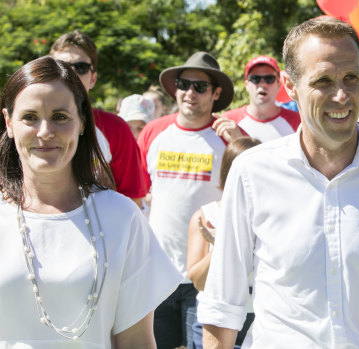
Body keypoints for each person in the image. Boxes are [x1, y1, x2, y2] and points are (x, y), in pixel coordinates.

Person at [199, 17, 359, 348]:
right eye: (323, 81)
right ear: (290, 85)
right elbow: (222, 307)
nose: (341, 95)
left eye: (352, 78)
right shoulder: (251, 173)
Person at [0, 56, 181, 347]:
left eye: (60, 117)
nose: (45, 132)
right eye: (29, 117)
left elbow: (136, 341)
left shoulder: (121, 217)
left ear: (83, 121)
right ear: (9, 122)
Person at [137, 51, 241, 349]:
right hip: (157, 272)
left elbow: (258, 188)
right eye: (184, 84)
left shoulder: (227, 135)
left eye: (200, 87)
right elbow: (135, 194)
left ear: (216, 92)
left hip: (209, 274)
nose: (190, 93)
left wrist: (238, 140)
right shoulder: (154, 131)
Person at [49, 30, 146, 207]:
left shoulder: (115, 128)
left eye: (80, 67)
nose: (70, 74)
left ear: (93, 78)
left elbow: (133, 202)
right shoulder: (29, 126)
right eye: (60, 66)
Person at [187, 137, 261, 349]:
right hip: (215, 323)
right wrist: (221, 247)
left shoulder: (273, 216)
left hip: (260, 319)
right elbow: (199, 282)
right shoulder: (205, 216)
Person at [222, 56, 300, 142]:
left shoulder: (298, 121)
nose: (262, 84)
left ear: (278, 83)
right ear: (247, 84)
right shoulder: (228, 121)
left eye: (269, 79)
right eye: (255, 79)